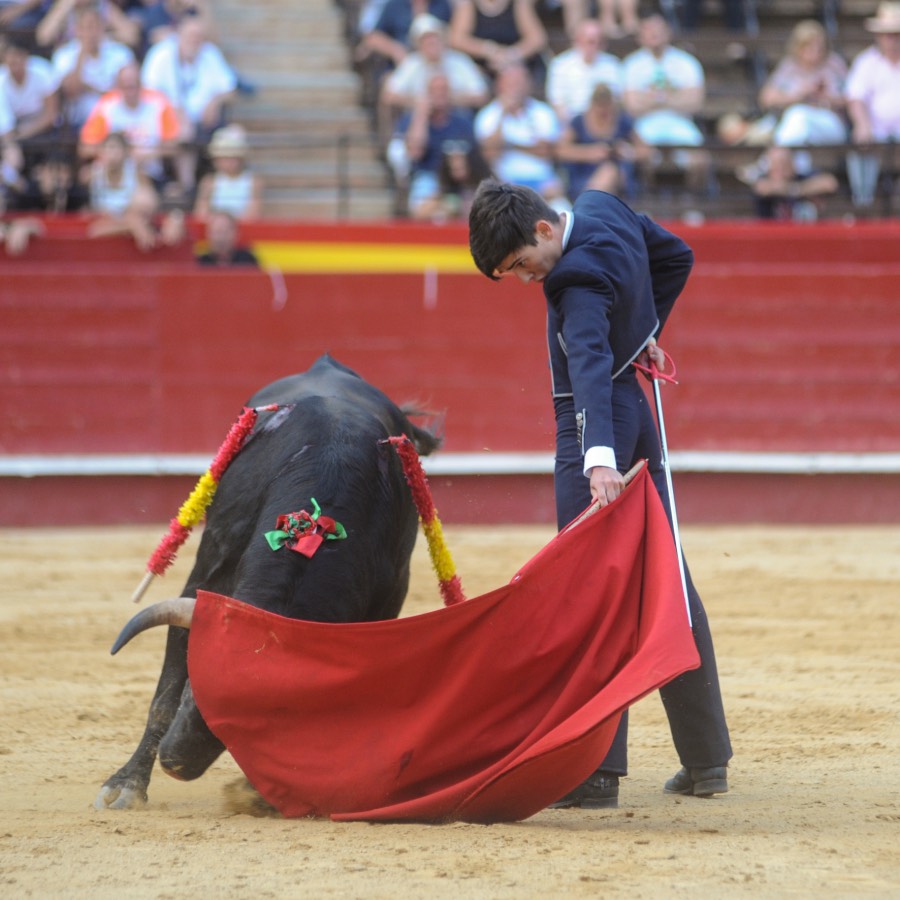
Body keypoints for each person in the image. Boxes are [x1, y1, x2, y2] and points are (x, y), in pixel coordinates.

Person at [467, 178, 733, 809]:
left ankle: (595, 773)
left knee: (593, 593)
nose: (528, 279)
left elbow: (587, 363)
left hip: (594, 428)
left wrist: (598, 459)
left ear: (543, 230)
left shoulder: (572, 279)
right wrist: (644, 332)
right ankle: (706, 761)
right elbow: (676, 257)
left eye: (522, 264)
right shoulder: (602, 206)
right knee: (667, 577)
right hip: (636, 407)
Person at [140, 10, 237, 200]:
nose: (195, 40)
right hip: (166, 121)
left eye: (199, 36)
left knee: (234, 135)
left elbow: (230, 90)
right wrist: (173, 110)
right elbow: (148, 92)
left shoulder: (210, 53)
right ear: (179, 34)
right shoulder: (161, 54)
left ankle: (226, 193)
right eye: (191, 35)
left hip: (205, 122)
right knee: (183, 131)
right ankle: (187, 187)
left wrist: (214, 101)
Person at [621, 13, 709, 193]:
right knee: (642, 156)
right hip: (644, 124)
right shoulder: (631, 64)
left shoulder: (686, 62)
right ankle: (649, 199)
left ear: (668, 33)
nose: (654, 34)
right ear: (640, 35)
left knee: (700, 160)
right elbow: (631, 106)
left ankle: (691, 201)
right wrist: (674, 97)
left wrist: (652, 98)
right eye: (649, 30)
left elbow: (695, 102)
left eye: (658, 30)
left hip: (680, 122)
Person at [379, 13, 490, 144]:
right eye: (426, 40)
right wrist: (420, 102)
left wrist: (448, 100)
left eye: (434, 38)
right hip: (418, 119)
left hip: (456, 120)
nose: (431, 44)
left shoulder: (460, 61)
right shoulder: (412, 63)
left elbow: (482, 96)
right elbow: (389, 95)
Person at [388, 71, 482, 219]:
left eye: (444, 89)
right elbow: (414, 152)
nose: (440, 94)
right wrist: (421, 114)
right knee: (424, 206)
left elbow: (474, 158)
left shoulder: (463, 122)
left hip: (459, 181)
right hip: (427, 176)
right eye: (435, 90)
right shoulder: (411, 120)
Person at [474, 61, 567, 208]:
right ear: (499, 86)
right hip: (505, 185)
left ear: (529, 85)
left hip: (542, 182)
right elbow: (490, 153)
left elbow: (546, 151)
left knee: (562, 206)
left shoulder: (543, 111)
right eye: (511, 83)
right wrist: (503, 114)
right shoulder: (488, 114)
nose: (516, 88)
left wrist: (510, 145)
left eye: (520, 83)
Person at [79, 60, 179, 192]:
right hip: (112, 173)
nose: (130, 92)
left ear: (141, 84)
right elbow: (86, 147)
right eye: (125, 87)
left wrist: (149, 154)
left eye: (133, 86)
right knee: (85, 176)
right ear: (117, 86)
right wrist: (117, 154)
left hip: (150, 173)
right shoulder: (107, 106)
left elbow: (173, 146)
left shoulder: (158, 103)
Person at [758, 20, 848, 154]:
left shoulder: (834, 64)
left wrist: (825, 98)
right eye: (809, 46)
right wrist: (799, 95)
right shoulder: (789, 67)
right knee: (799, 128)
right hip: (798, 127)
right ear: (798, 47)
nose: (815, 51)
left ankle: (772, 159)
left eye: (819, 46)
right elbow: (767, 98)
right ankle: (783, 161)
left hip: (831, 123)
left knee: (798, 116)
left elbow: (853, 98)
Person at [84, 129, 183, 249]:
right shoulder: (92, 176)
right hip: (111, 224)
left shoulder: (138, 174)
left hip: (136, 220)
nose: (112, 154)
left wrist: (132, 217)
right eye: (108, 149)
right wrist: (130, 224)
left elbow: (149, 204)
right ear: (101, 152)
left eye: (116, 149)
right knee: (97, 230)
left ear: (126, 152)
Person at [844, 1, 900, 209]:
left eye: (897, 34)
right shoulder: (866, 62)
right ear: (879, 36)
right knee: (859, 146)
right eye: (888, 34)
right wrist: (862, 124)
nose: (892, 39)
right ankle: (863, 204)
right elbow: (855, 98)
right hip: (875, 132)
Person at [555, 82, 646, 200]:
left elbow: (646, 151)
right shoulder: (579, 122)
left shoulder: (623, 121)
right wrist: (588, 153)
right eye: (600, 107)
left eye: (607, 108)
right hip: (584, 178)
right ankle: (592, 200)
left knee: (609, 170)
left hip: (619, 180)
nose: (603, 112)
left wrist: (628, 152)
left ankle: (591, 202)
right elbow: (560, 150)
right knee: (607, 173)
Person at [50, 2, 134, 129]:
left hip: (115, 122)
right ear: (77, 30)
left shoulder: (120, 53)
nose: (91, 33)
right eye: (86, 27)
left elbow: (128, 90)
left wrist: (89, 88)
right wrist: (83, 53)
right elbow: (71, 91)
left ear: (103, 27)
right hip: (79, 124)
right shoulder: (64, 55)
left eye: (95, 26)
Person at [0, 37, 60, 205]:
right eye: (10, 58)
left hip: (44, 129)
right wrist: (13, 142)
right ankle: (14, 187)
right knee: (11, 154)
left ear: (26, 57)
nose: (15, 62)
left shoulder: (42, 71)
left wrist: (23, 134)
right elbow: (6, 126)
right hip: (15, 130)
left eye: (18, 57)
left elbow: (51, 114)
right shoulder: (1, 82)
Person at [447, 0, 549, 85]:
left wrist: (511, 55)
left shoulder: (519, 3)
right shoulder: (468, 4)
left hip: (517, 67)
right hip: (482, 72)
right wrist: (489, 51)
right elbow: (457, 40)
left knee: (517, 77)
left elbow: (537, 39)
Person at [544, 16, 623, 126]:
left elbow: (617, 100)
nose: (596, 46)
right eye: (591, 42)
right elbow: (557, 103)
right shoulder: (560, 65)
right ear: (578, 40)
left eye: (600, 42)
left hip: (605, 122)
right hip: (572, 123)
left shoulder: (612, 64)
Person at [742, 144, 838, 221]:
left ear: (793, 164)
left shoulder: (801, 177)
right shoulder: (764, 180)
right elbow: (762, 188)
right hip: (772, 235)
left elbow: (829, 183)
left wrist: (793, 189)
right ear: (769, 167)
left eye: (784, 163)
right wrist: (802, 190)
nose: (781, 168)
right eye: (777, 163)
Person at [193, 122, 263, 221]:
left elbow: (253, 214)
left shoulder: (253, 182)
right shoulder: (209, 182)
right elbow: (201, 213)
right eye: (224, 157)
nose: (229, 162)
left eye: (232, 157)